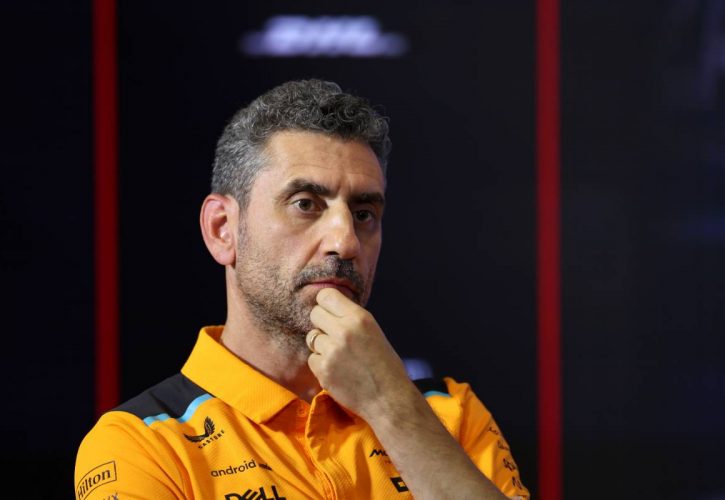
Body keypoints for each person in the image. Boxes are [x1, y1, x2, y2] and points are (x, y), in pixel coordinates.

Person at [74, 79, 530, 500]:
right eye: (305, 204)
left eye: (364, 214)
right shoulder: (143, 445)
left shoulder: (450, 413)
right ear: (222, 229)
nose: (345, 242)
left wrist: (390, 405)